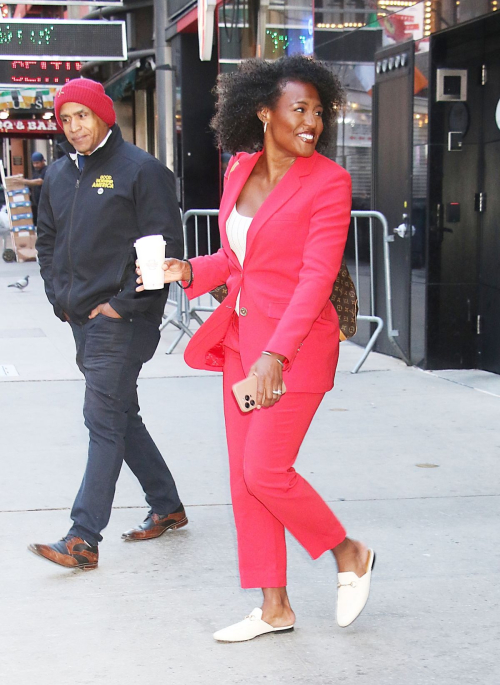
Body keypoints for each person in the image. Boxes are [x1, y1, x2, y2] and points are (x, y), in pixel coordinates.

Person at [136, 55, 375, 641]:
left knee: (266, 470)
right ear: (264, 112)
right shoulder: (239, 169)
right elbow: (240, 262)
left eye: (320, 111)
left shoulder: (329, 182)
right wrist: (185, 269)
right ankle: (274, 607)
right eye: (300, 109)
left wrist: (277, 356)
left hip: (293, 349)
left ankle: (349, 552)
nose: (312, 121)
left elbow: (315, 278)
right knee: (246, 480)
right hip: (243, 344)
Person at [30, 78, 187, 570]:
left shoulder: (141, 170)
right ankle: (167, 505)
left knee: (100, 419)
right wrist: (60, 299)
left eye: (82, 115)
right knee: (121, 415)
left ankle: (83, 537)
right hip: (81, 317)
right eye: (66, 118)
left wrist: (124, 304)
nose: (74, 126)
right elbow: (47, 241)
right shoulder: (57, 175)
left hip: (124, 319)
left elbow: (163, 250)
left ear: (103, 115)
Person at [19, 151, 47, 226]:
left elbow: (39, 181)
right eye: (34, 163)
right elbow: (33, 183)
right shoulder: (36, 172)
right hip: (37, 203)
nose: (35, 165)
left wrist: (23, 181)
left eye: (37, 163)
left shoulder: (47, 170)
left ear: (43, 161)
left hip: (45, 203)